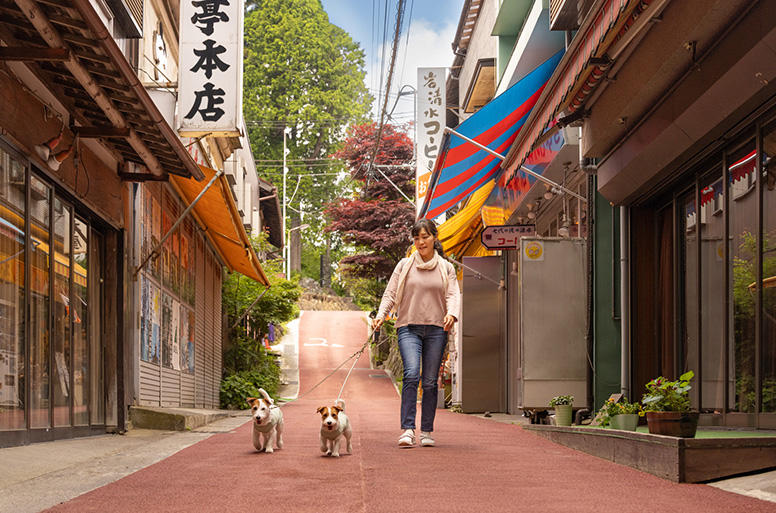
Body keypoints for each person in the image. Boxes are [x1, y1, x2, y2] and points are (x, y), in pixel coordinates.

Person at [372, 218, 460, 448]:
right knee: (411, 375)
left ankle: (427, 431)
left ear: (434, 238)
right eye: (417, 238)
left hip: (436, 329)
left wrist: (452, 313)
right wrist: (381, 315)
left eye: (425, 237)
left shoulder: (446, 267)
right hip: (408, 327)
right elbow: (390, 293)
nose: (421, 242)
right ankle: (408, 429)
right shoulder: (404, 265)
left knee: (430, 382)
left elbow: (452, 294)